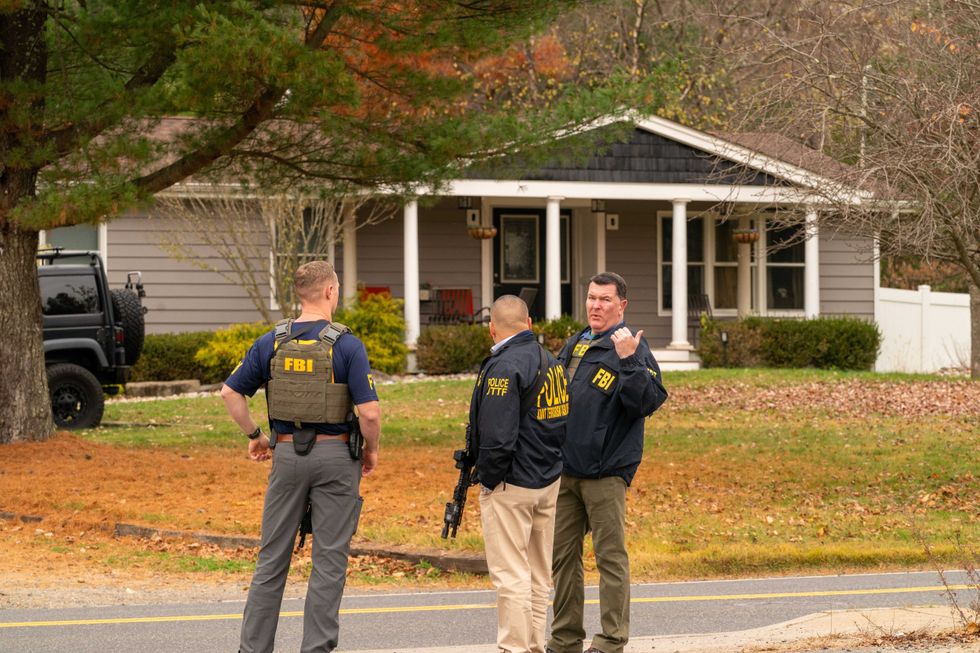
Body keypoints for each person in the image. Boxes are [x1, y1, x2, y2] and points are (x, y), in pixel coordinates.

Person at [220, 260, 381, 653]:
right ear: (329, 292)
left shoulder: (272, 341)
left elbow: (229, 393)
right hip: (337, 457)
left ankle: (253, 649)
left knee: (271, 559)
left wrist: (256, 436)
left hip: (287, 456)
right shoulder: (347, 344)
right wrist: (371, 450)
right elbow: (370, 413)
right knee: (329, 562)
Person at [547, 272, 668, 653]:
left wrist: (630, 361)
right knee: (562, 558)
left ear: (622, 306)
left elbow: (646, 403)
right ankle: (565, 639)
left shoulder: (630, 346)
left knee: (610, 558)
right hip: (565, 470)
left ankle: (611, 640)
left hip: (605, 472)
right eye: (592, 298)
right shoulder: (575, 344)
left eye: (605, 300)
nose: (596, 306)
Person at [471, 295, 568, 653]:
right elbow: (561, 422)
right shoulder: (552, 361)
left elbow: (496, 438)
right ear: (529, 325)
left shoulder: (504, 367)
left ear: (492, 329)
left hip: (512, 483)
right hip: (548, 479)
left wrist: (488, 480)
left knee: (511, 576)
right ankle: (533, 646)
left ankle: (515, 648)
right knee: (539, 576)